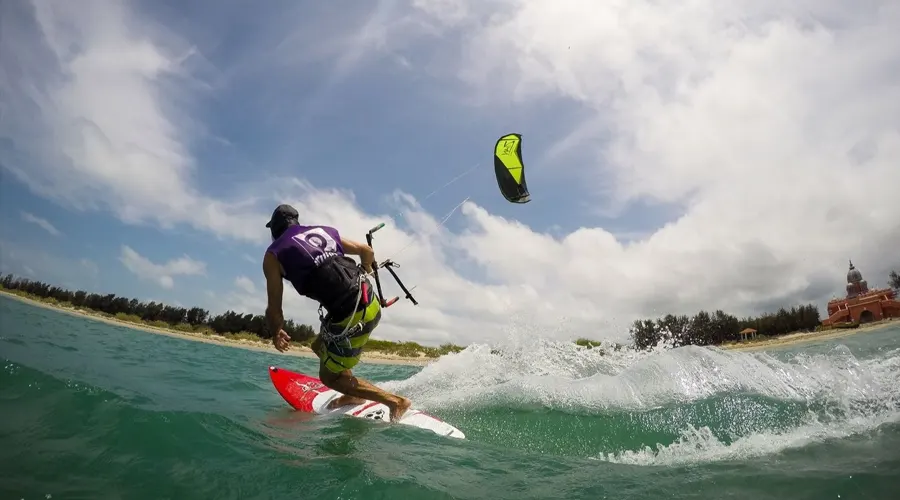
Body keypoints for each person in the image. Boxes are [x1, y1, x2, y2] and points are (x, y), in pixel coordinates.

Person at [261, 204, 411, 422]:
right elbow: (366, 251)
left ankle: (395, 402)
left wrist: (276, 331)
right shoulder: (323, 232)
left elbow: (274, 307)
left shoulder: (274, 254)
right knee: (318, 345)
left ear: (274, 229)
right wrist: (366, 269)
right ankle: (351, 395)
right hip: (370, 302)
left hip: (351, 315)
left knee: (328, 377)